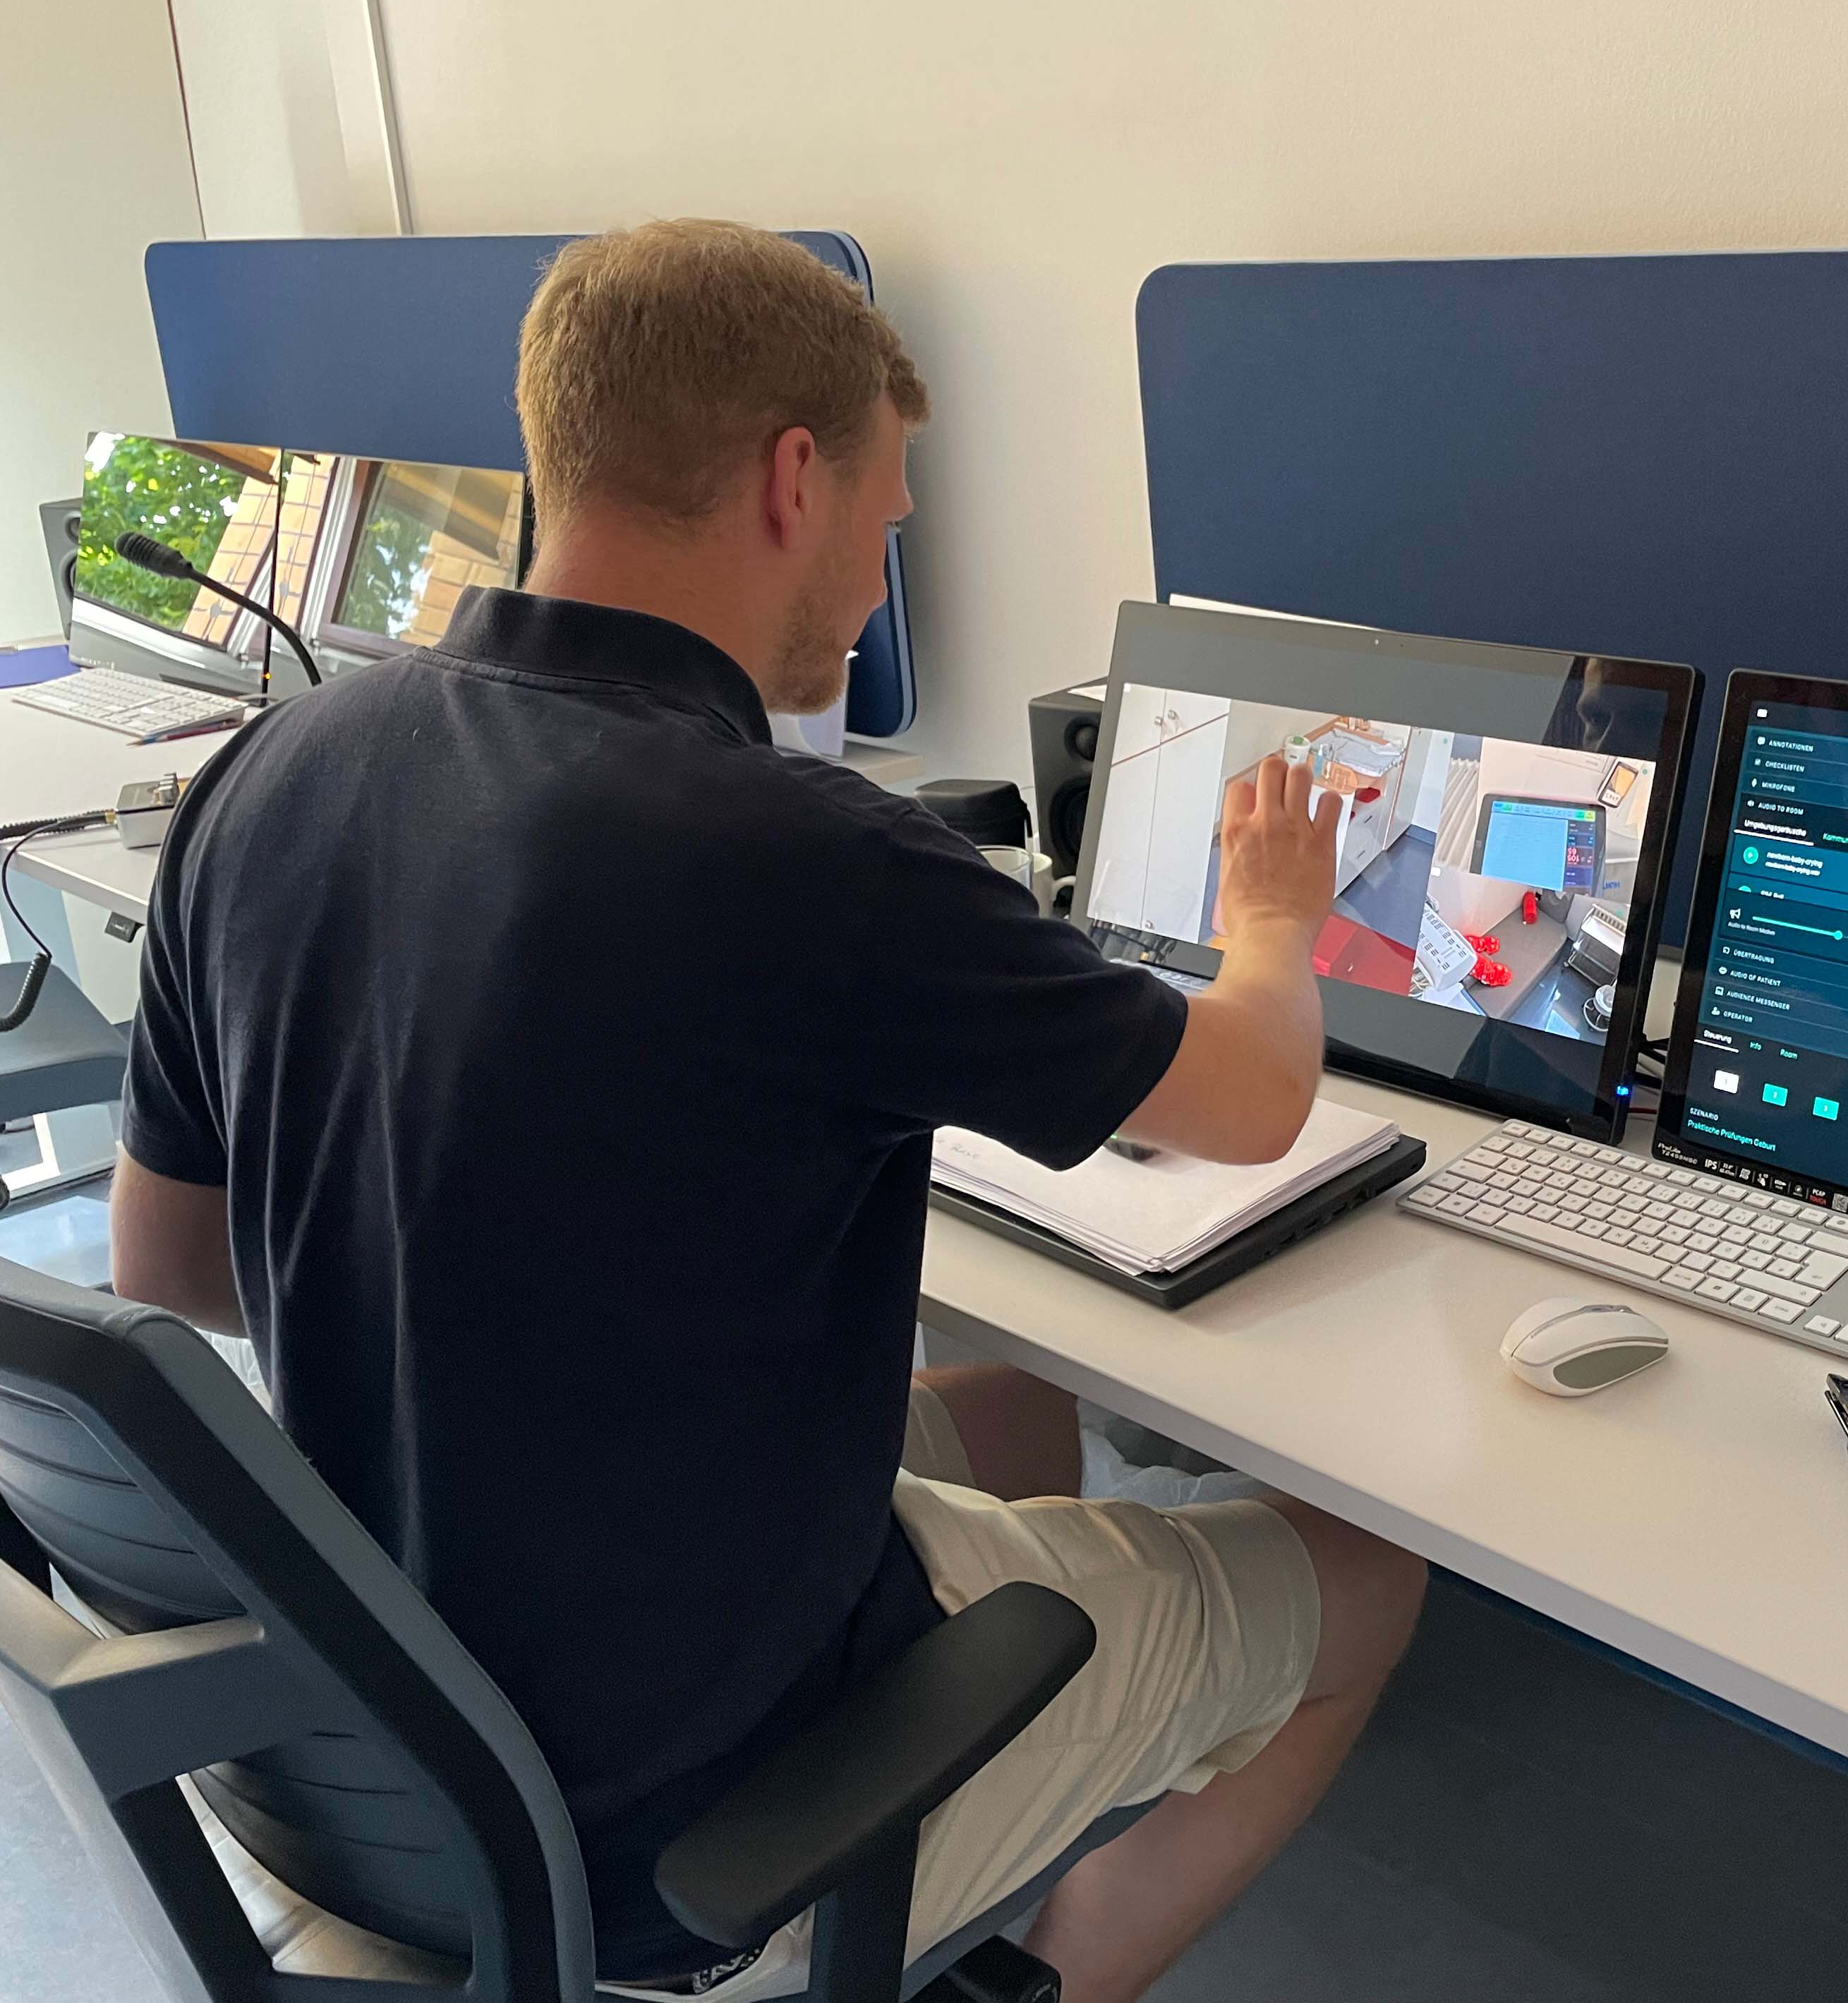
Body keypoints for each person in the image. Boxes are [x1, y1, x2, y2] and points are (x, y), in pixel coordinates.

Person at [109, 218, 1427, 2001]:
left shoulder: (271, 770)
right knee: (1368, 1574)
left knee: (1015, 1406)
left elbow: (170, 1267)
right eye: (888, 520)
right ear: (794, 480)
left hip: (373, 1739)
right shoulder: (809, 856)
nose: (878, 584)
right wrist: (1270, 915)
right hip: (674, 1834)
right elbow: (1256, 1100)